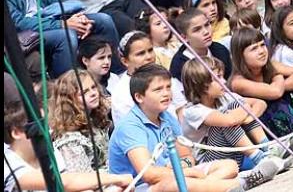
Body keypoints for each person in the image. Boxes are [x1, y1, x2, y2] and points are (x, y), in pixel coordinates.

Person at [108, 64, 243, 192]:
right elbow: (149, 175)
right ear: (139, 97)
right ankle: (241, 184)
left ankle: (205, 187)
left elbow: (186, 155)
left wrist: (185, 166)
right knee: (178, 183)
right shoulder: (129, 127)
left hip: (173, 175)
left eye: (168, 87)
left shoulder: (166, 116)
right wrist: (185, 172)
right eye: (158, 89)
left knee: (229, 166)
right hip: (142, 187)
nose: (166, 93)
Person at [228, 28, 293, 149]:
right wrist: (277, 76)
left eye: (262, 45)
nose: (261, 51)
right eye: (254, 49)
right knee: (275, 102)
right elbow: (275, 92)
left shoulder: (270, 65)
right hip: (264, 126)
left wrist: (279, 84)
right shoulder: (238, 82)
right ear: (240, 55)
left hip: (285, 117)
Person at [177, 58, 284, 177]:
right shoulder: (192, 111)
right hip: (211, 163)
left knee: (236, 106)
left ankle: (269, 149)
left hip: (235, 153)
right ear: (201, 85)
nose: (223, 81)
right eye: (218, 78)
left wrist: (248, 117)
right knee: (227, 117)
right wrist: (246, 109)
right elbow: (229, 120)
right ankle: (260, 158)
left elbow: (260, 103)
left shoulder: (224, 97)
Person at [6, 100, 134, 192]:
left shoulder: (50, 150)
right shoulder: (8, 164)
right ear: (17, 132)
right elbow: (64, 182)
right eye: (41, 126)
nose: (50, 131)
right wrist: (116, 179)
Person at [168, 9, 232, 81]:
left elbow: (230, 80)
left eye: (207, 25)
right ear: (184, 38)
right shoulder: (179, 66)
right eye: (197, 30)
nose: (206, 32)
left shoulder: (220, 50)